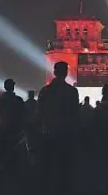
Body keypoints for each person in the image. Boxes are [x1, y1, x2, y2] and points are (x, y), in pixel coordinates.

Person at [37, 61, 79, 195]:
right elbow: (75, 114)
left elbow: (39, 113)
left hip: (48, 135)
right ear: (66, 73)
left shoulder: (45, 91)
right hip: (66, 135)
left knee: (47, 168)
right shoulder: (72, 92)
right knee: (65, 169)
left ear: (54, 72)